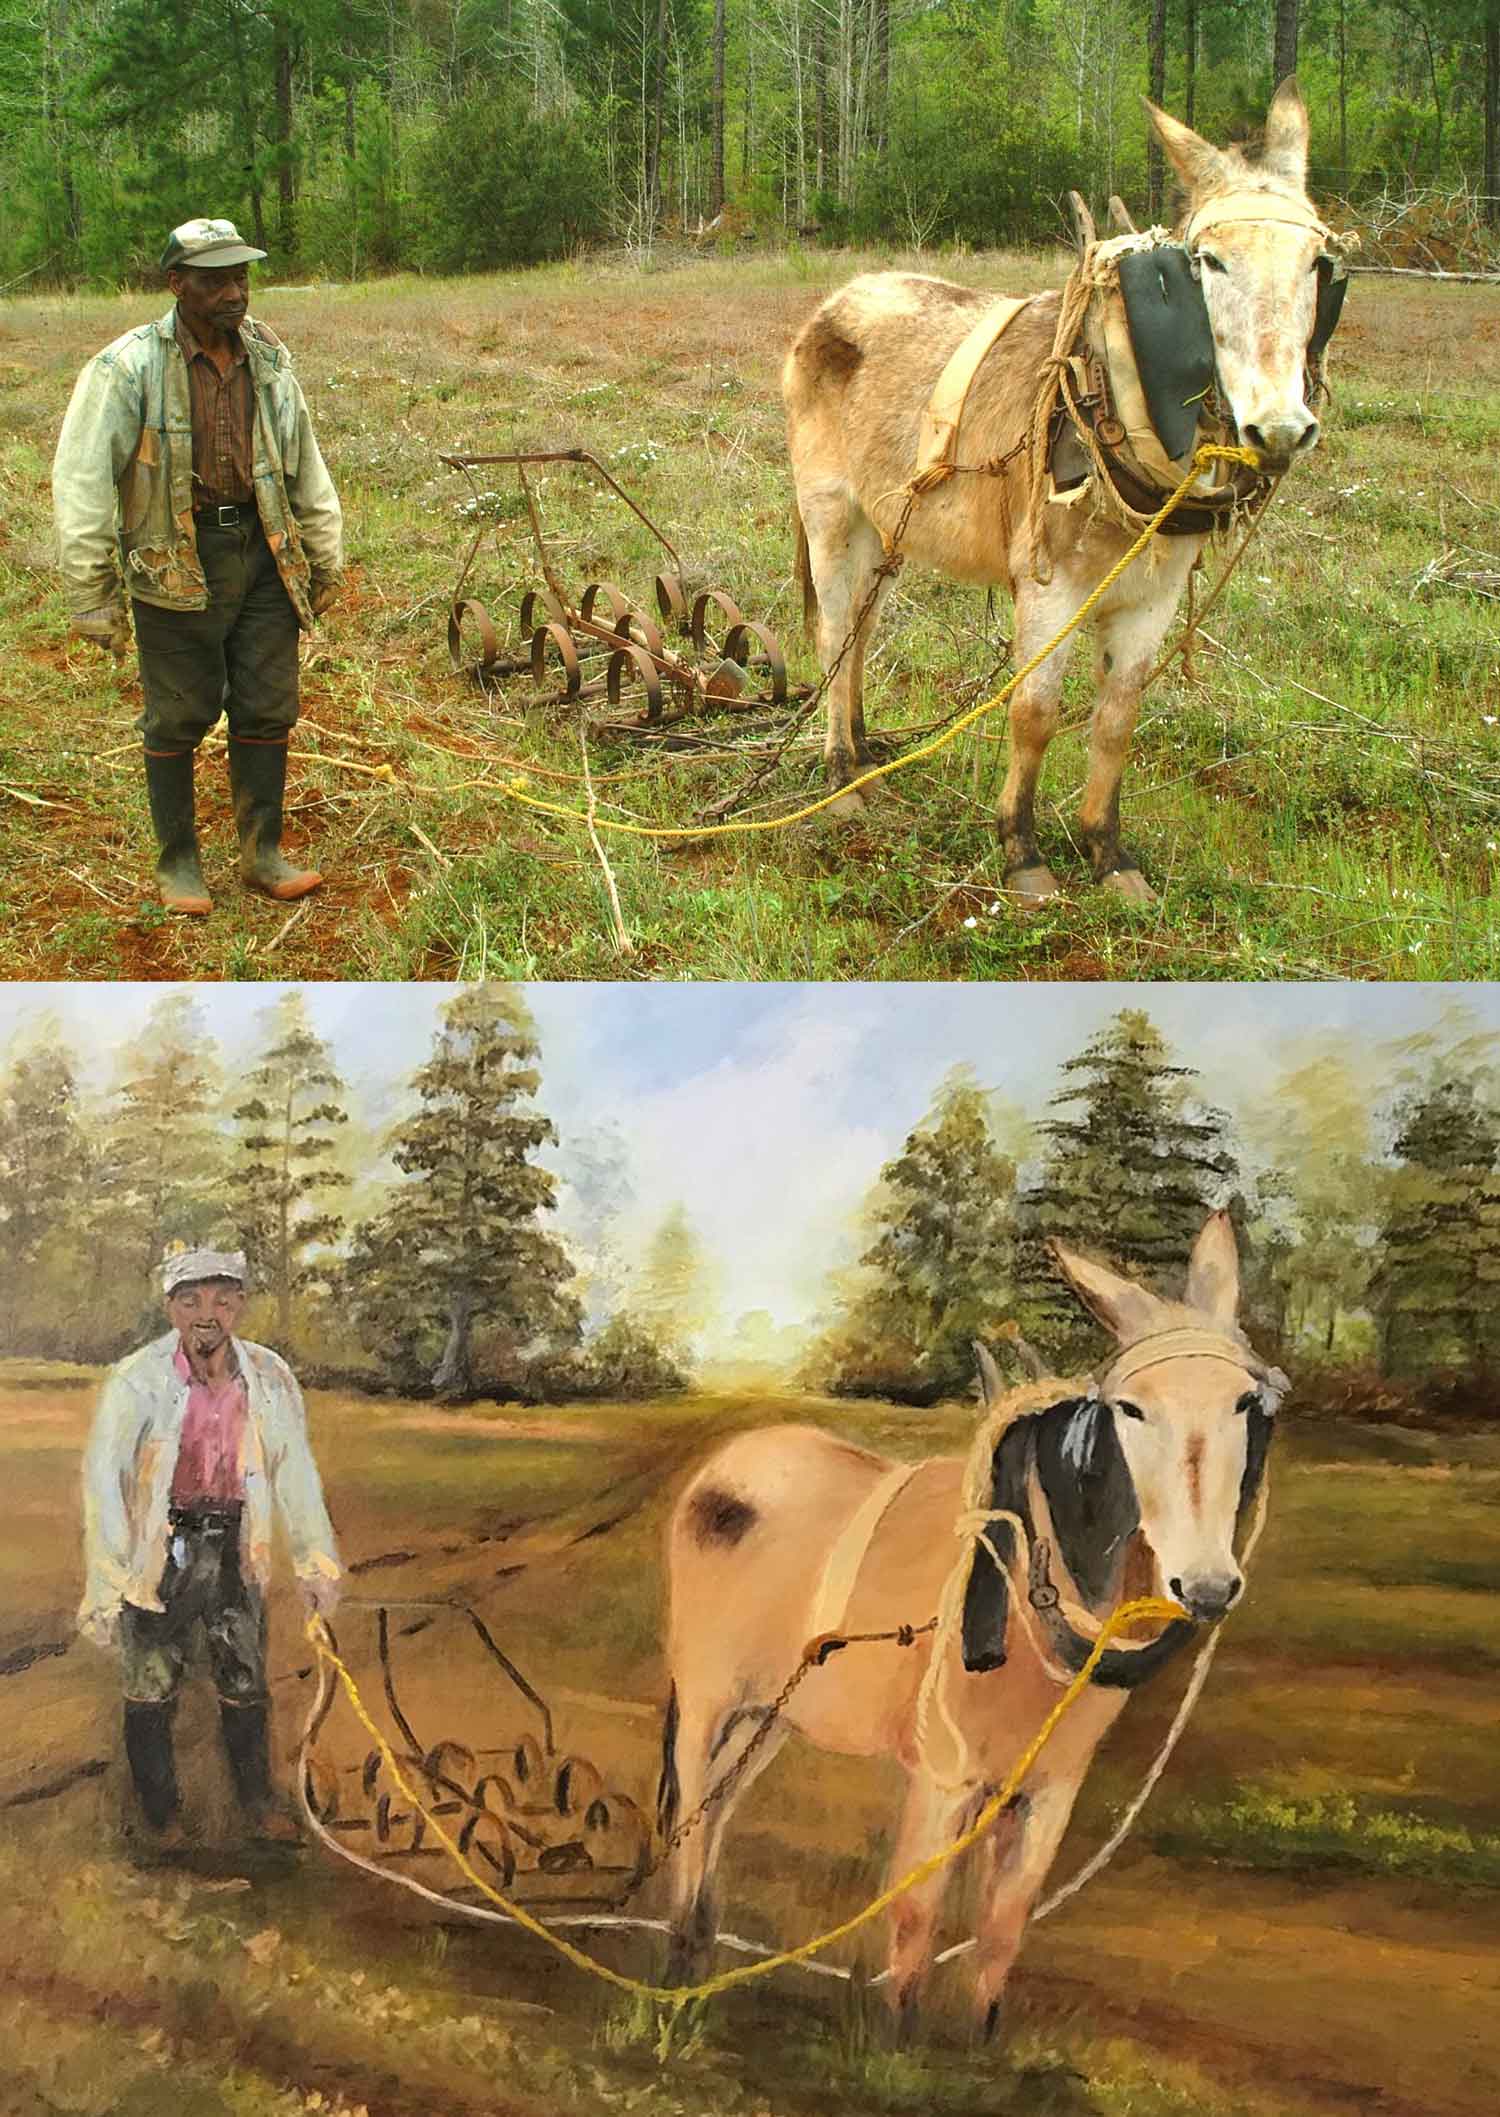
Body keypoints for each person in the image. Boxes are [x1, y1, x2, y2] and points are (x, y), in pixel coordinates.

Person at [52, 216, 344, 914]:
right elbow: (83, 479)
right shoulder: (126, 367)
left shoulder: (268, 358)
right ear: (176, 284)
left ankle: (261, 852)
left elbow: (304, 459)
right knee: (179, 714)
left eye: (240, 277)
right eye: (214, 280)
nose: (233, 292)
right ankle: (179, 863)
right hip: (174, 557)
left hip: (264, 548)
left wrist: (324, 551)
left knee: (268, 702)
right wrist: (92, 591)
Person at [78, 1244, 343, 1854]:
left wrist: (313, 1559)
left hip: (234, 1545)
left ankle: (256, 1807)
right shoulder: (136, 1380)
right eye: (192, 1300)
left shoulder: (269, 1377)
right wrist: (109, 1576)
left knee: (245, 1677)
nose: (208, 1313)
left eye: (223, 1300)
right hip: (161, 1546)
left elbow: (294, 1470)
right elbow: (105, 1481)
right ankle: (161, 1819)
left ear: (240, 1306)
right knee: (150, 1682)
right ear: (171, 1307)